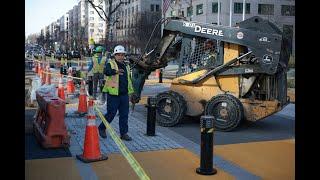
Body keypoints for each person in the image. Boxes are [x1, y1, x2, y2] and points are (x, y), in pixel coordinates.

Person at [98, 45, 134, 141]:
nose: (121, 57)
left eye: (122, 55)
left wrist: (131, 93)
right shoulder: (111, 63)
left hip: (124, 94)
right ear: (115, 55)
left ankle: (124, 133)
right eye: (119, 55)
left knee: (124, 115)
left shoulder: (126, 66)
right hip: (113, 95)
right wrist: (115, 71)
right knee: (111, 114)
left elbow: (128, 80)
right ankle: (102, 128)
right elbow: (107, 71)